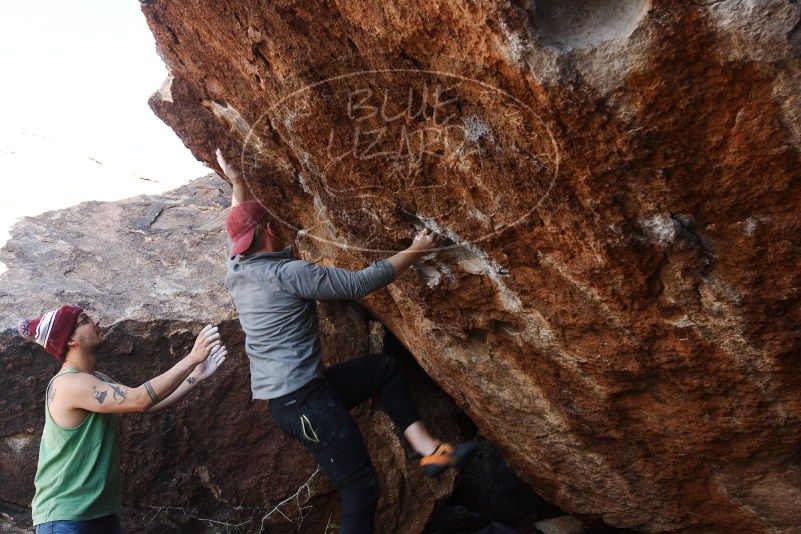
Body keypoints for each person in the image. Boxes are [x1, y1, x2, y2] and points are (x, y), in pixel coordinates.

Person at [215, 148, 476, 534]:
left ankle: (429, 451)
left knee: (383, 370)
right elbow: (358, 283)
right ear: (270, 231)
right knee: (361, 489)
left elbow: (242, 223)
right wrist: (416, 250)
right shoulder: (289, 274)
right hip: (306, 403)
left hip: (296, 399)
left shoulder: (237, 268)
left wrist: (237, 183)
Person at [18, 305, 227, 533]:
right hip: (64, 517)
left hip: (98, 514)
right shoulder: (69, 384)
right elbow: (140, 399)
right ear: (70, 340)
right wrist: (191, 359)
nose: (96, 321)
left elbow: (147, 405)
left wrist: (196, 375)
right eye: (85, 319)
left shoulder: (97, 380)